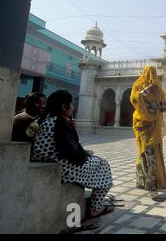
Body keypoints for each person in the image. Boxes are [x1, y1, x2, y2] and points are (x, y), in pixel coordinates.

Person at [31, 90, 113, 218]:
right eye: (71, 104)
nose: (73, 107)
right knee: (103, 164)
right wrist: (74, 130)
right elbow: (74, 154)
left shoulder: (44, 120)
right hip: (62, 167)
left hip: (44, 160)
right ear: (64, 106)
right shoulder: (60, 123)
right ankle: (95, 208)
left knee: (92, 157)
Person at [130, 66, 166, 201]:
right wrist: (147, 91)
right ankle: (150, 187)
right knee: (146, 155)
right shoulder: (138, 85)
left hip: (155, 126)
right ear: (145, 74)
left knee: (153, 155)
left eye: (154, 74)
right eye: (149, 73)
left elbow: (165, 105)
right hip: (141, 126)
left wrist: (161, 106)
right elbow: (134, 99)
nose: (152, 77)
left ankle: (150, 185)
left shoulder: (159, 89)